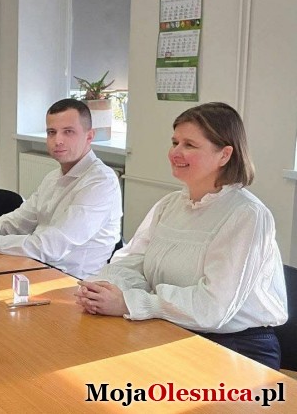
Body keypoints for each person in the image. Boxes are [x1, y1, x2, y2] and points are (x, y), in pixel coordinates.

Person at [75, 102, 287, 369]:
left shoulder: (247, 215)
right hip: (171, 327)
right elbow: (130, 262)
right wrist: (104, 290)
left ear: (224, 155)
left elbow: (212, 309)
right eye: (175, 142)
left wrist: (130, 302)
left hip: (236, 348)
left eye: (189, 145)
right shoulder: (170, 204)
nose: (175, 152)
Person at [0, 99, 122, 278]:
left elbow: (50, 247)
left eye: (68, 132)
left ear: (89, 136)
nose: (58, 140)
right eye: (52, 132)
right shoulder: (53, 177)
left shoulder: (101, 182)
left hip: (74, 282)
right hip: (37, 267)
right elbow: (20, 220)